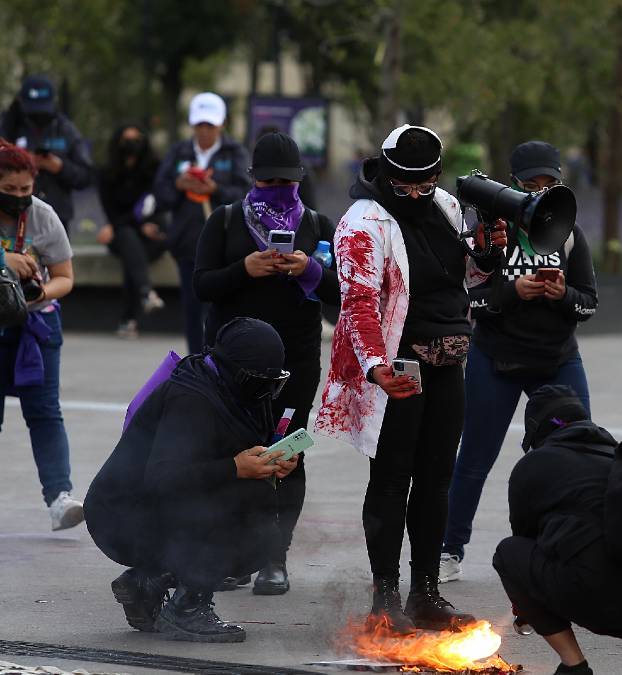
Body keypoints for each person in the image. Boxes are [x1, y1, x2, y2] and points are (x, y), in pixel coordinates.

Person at [315, 125, 505, 633]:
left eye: (425, 184)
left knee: (438, 478)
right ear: (386, 173)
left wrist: (489, 253)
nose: (417, 195)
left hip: (450, 358)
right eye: (405, 186)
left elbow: (468, 278)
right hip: (398, 363)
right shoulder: (363, 221)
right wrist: (377, 366)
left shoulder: (444, 205)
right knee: (393, 478)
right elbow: (356, 304)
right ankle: (385, 597)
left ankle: (426, 593)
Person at [439, 140, 598, 583]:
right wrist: (513, 293)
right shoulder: (489, 233)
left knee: (580, 453)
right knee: (474, 457)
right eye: (532, 186)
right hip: (497, 360)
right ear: (513, 186)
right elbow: (467, 301)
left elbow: (589, 303)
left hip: (558, 360)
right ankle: (449, 550)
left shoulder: (568, 234)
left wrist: (561, 294)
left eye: (551, 184)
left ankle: (579, 545)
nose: (542, 194)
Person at [85, 318, 300, 643]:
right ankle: (187, 608)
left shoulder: (234, 392)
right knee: (252, 512)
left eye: (274, 382)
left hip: (158, 509)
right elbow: (163, 479)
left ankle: (148, 582)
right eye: (259, 382)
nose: (267, 392)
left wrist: (276, 461)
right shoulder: (192, 398)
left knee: (261, 514)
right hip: (123, 517)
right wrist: (235, 468)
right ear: (236, 373)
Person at [194, 131, 338, 594]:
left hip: (295, 363)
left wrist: (310, 270)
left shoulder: (318, 225)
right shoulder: (225, 221)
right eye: (270, 178)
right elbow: (200, 285)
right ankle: (236, 555)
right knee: (233, 455)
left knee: (286, 454)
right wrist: (245, 270)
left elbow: (342, 293)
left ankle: (275, 558)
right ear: (253, 177)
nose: (279, 186)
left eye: (287, 179)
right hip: (231, 366)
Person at [494, 385, 622, 675]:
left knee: (508, 553)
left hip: (602, 594)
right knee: (618, 563)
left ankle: (574, 667)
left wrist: (528, 610)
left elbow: (525, 543)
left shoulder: (534, 465)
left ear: (537, 431)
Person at [0, 138, 81, 536]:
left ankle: (60, 499)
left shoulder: (43, 216)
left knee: (44, 412)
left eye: (26, 190)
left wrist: (40, 293)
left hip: (35, 325)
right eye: (9, 191)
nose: (19, 198)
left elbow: (65, 278)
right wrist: (1, 258)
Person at [154, 92, 249, 355]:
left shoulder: (235, 152)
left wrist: (215, 187)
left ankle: (220, 360)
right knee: (192, 307)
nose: (205, 131)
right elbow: (160, 193)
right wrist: (178, 184)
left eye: (210, 124)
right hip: (188, 243)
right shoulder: (179, 152)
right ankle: (196, 361)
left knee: (222, 306)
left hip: (225, 244)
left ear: (221, 124)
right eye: (200, 125)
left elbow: (246, 193)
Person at [0, 75, 94, 229]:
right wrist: (22, 163)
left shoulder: (66, 130)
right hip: (14, 215)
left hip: (57, 217)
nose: (39, 115)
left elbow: (86, 176)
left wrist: (59, 167)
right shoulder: (9, 127)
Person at [97, 124, 166, 339]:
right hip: (121, 235)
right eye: (126, 140)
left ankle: (129, 319)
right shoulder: (106, 174)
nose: (131, 146)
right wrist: (132, 225)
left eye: (136, 140)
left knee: (131, 247)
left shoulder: (155, 170)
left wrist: (148, 225)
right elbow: (112, 214)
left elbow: (157, 205)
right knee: (128, 238)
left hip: (151, 236)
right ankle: (145, 293)